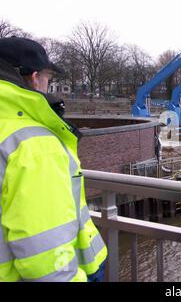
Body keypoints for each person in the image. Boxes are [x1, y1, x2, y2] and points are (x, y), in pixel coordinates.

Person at [0, 37, 107, 282]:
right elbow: (45, 252)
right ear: (35, 78)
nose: (50, 85)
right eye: (49, 78)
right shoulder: (33, 143)